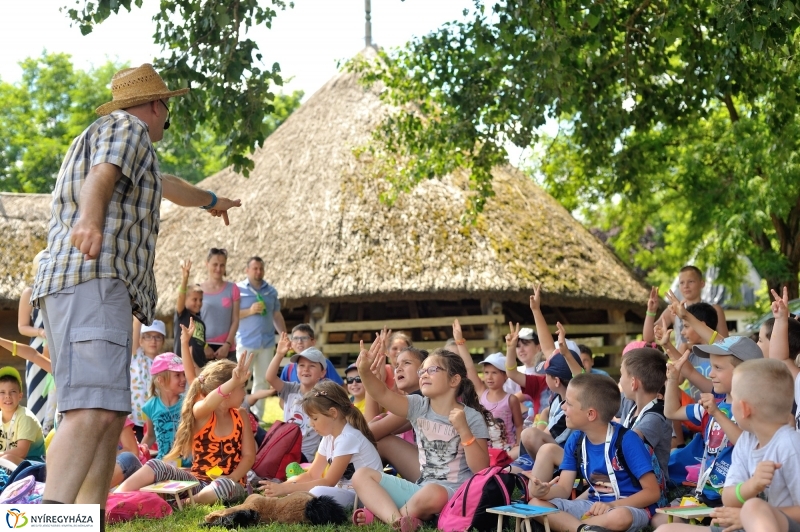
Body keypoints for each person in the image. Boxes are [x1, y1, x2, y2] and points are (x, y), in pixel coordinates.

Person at [29, 63, 240, 520]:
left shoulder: (132, 150)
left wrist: (211, 201)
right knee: (92, 411)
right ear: (156, 105)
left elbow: (169, 186)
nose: (167, 117)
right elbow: (101, 174)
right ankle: (50, 523)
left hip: (88, 286)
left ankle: (85, 522)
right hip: (94, 279)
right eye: (168, 108)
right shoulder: (128, 127)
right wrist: (90, 220)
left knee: (107, 416)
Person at [351, 339, 491, 532]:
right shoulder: (418, 406)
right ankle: (399, 521)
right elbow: (382, 394)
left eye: (432, 370)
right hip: (421, 488)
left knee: (433, 493)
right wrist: (364, 372)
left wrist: (464, 431)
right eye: (422, 371)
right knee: (361, 476)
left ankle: (384, 518)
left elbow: (481, 468)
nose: (424, 374)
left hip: (453, 495)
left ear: (454, 380)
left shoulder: (471, 417)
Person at [656, 359, 800, 532]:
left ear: (744, 408)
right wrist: (752, 485)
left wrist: (749, 516)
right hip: (745, 523)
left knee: (753, 506)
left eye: (734, 398)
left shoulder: (790, 445)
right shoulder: (746, 441)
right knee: (665, 530)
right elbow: (729, 497)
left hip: (778, 525)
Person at [525, 374, 661, 532]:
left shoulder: (627, 440)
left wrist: (612, 505)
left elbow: (652, 493)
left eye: (569, 403)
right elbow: (563, 489)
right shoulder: (575, 440)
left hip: (627, 506)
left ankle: (569, 525)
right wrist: (543, 492)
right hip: (591, 506)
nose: (563, 407)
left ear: (590, 414)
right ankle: (583, 529)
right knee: (535, 504)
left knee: (619, 517)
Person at [118, 353, 255, 504]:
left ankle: (184, 504)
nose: (244, 393)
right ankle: (115, 498)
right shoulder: (203, 412)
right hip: (198, 484)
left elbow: (249, 456)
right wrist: (233, 381)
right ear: (227, 392)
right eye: (241, 387)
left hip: (230, 485)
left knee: (224, 485)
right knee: (156, 465)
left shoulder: (241, 415)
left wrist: (232, 477)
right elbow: (209, 403)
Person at [663, 336, 762, 510]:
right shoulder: (714, 405)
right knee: (664, 518)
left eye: (718, 368)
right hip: (706, 493)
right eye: (711, 366)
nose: (710, 374)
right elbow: (671, 412)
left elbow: (746, 445)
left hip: (737, 498)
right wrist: (672, 380)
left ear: (744, 373)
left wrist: (716, 413)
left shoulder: (755, 410)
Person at [258, 380, 383, 508]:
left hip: (364, 496)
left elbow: (329, 482)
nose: (311, 424)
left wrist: (286, 489)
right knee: (306, 489)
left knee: (316, 491)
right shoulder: (328, 437)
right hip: (347, 492)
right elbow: (311, 475)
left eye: (315, 418)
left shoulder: (348, 438)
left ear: (333, 413)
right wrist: (281, 486)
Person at [453, 319, 522, 453]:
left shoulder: (511, 399)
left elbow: (519, 425)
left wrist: (518, 445)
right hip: (486, 451)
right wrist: (460, 341)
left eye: (494, 373)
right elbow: (470, 368)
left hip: (507, 451)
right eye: (486, 372)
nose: (489, 377)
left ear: (505, 375)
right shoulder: (481, 392)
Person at [266, 332, 330, 462]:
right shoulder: (290, 389)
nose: (306, 369)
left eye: (312, 366)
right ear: (296, 369)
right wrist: (279, 354)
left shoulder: (324, 395)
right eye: (301, 365)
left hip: (306, 455)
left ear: (322, 372)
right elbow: (270, 378)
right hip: (285, 448)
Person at [235, 256, 286, 419]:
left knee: (262, 380)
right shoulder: (238, 290)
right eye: (255, 268)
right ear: (247, 270)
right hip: (246, 342)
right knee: (241, 380)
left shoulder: (271, 291)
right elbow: (231, 315)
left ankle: (257, 417)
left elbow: (276, 315)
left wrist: (284, 335)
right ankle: (239, 413)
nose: (258, 271)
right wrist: (250, 311)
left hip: (267, 343)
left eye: (261, 268)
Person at [367, 346, 427, 481]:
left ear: (424, 370)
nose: (399, 368)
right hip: (434, 471)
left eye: (407, 363)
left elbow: (369, 434)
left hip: (438, 475)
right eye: (397, 365)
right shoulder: (419, 399)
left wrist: (370, 380)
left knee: (384, 443)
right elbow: (371, 432)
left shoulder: (421, 398)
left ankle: (354, 485)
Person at [17, 250, 56, 435]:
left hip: (58, 351)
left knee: (55, 400)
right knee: (36, 398)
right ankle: (34, 442)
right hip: (37, 352)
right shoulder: (29, 293)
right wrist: (41, 332)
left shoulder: (60, 291)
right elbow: (22, 327)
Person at [650, 266, 729, 347]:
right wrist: (651, 311)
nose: (686, 286)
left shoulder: (714, 309)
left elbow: (725, 344)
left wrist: (688, 347)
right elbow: (648, 337)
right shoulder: (673, 310)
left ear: (702, 283)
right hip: (679, 354)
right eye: (682, 283)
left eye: (691, 281)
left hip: (708, 354)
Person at [140, 352, 186, 462]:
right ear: (161, 380)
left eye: (183, 374)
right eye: (177, 375)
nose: (183, 379)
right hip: (163, 463)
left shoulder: (188, 403)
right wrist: (139, 455)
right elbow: (150, 436)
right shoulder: (150, 406)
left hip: (187, 464)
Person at [129, 319, 166, 441]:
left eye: (158, 337)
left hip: (156, 421)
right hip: (135, 420)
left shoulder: (165, 363)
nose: (153, 341)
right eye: (148, 336)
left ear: (163, 341)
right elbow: (136, 324)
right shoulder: (136, 357)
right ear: (140, 340)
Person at [200, 247, 240, 362]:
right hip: (203, 348)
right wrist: (204, 346)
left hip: (227, 348)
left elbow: (235, 320)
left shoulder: (233, 289)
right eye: (215, 264)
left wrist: (227, 345)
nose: (218, 268)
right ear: (207, 264)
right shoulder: (198, 290)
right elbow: (194, 322)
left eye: (222, 265)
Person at [0, 367, 45, 466]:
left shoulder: (25, 417)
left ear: (20, 396)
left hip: (33, 465)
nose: (7, 396)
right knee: (6, 459)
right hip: (5, 463)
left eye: (12, 391)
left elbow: (21, 452)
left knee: (7, 458)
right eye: (2, 392)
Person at [279, 324, 344, 386]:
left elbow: (341, 387)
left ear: (313, 342)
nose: (299, 342)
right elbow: (280, 392)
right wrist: (279, 354)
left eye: (304, 338)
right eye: (295, 338)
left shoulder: (324, 363)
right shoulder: (288, 369)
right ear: (291, 343)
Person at [174, 259, 209, 371]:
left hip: (200, 368)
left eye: (200, 300)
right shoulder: (183, 315)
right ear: (185, 300)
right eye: (194, 299)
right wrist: (185, 279)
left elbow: (200, 344)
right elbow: (181, 296)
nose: (198, 303)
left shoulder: (201, 323)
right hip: (183, 367)